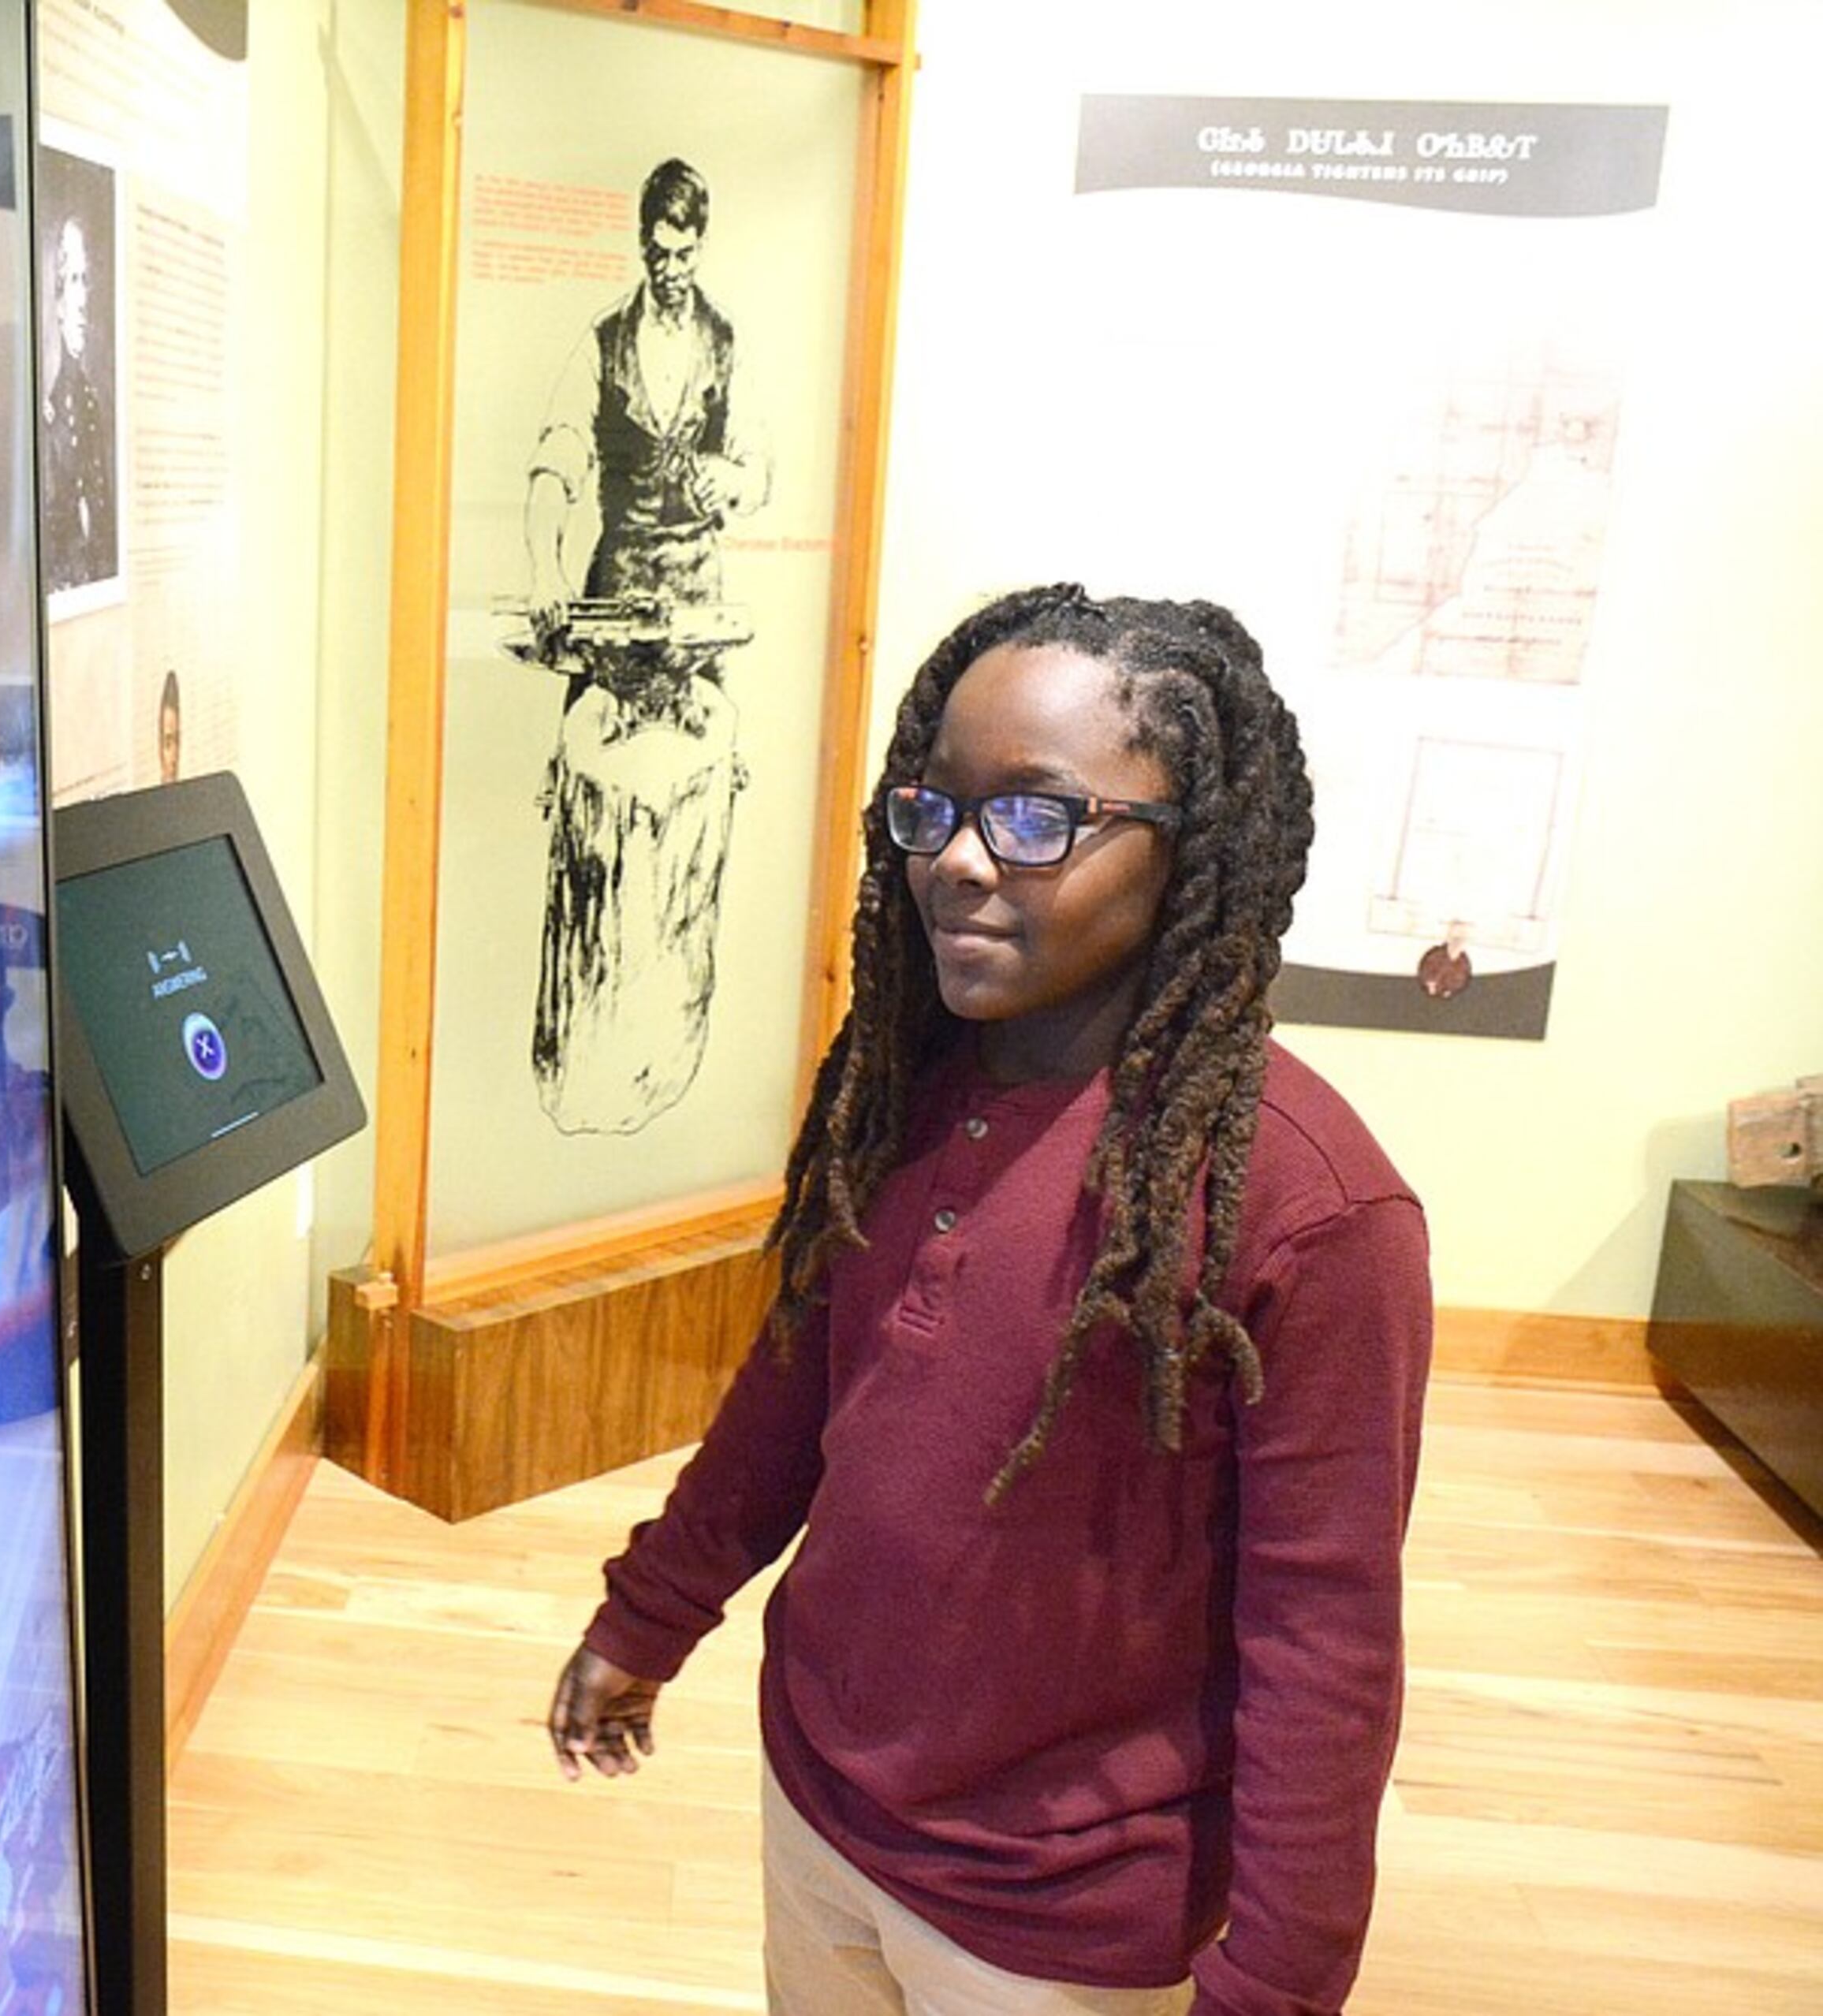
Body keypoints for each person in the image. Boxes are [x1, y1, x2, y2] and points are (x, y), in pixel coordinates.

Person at [547, 586, 1433, 2014]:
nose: (957, 861)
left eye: (1037, 818)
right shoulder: (901, 1092)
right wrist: (651, 1615)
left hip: (1060, 1914)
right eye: (931, 808)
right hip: (819, 1801)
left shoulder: (1311, 1209)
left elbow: (1325, 1643)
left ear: (1188, 845)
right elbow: (790, 1399)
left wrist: (1277, 1983)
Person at [524, 156, 766, 618]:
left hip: (697, 594)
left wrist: (736, 478)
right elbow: (557, 458)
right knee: (595, 696)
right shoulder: (604, 339)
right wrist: (546, 574)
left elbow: (757, 464)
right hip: (618, 587)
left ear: (702, 245)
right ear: (641, 243)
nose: (671, 271)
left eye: (685, 255)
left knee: (709, 697)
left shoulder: (726, 340)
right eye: (660, 254)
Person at [39, 209, 114, 590]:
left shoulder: (89, 402)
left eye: (85, 280)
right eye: (71, 281)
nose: (82, 298)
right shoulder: (48, 413)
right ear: (55, 299)